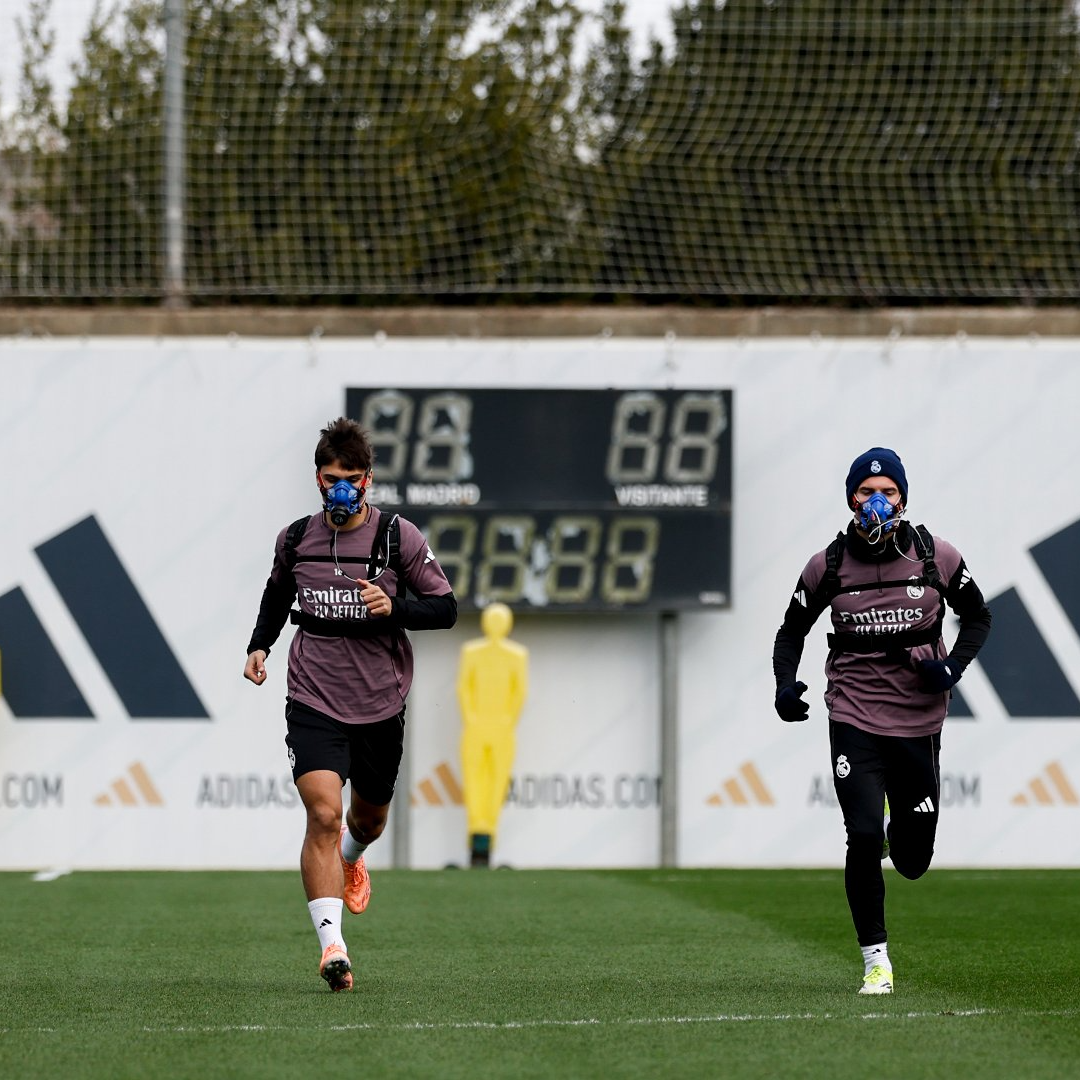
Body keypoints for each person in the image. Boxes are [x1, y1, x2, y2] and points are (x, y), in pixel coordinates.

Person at [244, 417, 457, 992]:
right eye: (332, 478)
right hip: (312, 694)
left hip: (380, 702)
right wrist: (259, 644)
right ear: (318, 478)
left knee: (368, 820)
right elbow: (276, 593)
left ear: (368, 479)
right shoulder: (296, 538)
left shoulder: (397, 537)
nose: (342, 489)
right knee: (322, 813)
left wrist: (396, 608)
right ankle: (332, 947)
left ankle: (353, 856)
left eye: (353, 478)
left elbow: (446, 607)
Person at [771, 448, 991, 996]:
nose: (876, 502)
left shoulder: (934, 555)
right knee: (863, 835)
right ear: (850, 498)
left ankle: (902, 824)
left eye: (887, 492)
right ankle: (876, 961)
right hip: (853, 712)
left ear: (903, 497)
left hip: (918, 718)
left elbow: (979, 616)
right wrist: (784, 684)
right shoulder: (828, 564)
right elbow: (791, 629)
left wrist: (952, 669)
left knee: (913, 861)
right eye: (866, 491)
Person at [457, 602, 528, 867]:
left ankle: (487, 840)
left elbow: (519, 692)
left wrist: (508, 719)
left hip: (501, 730)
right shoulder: (471, 652)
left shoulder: (517, 655)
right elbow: (464, 688)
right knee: (475, 786)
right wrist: (471, 718)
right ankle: (477, 839)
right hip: (477, 729)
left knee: (496, 787)